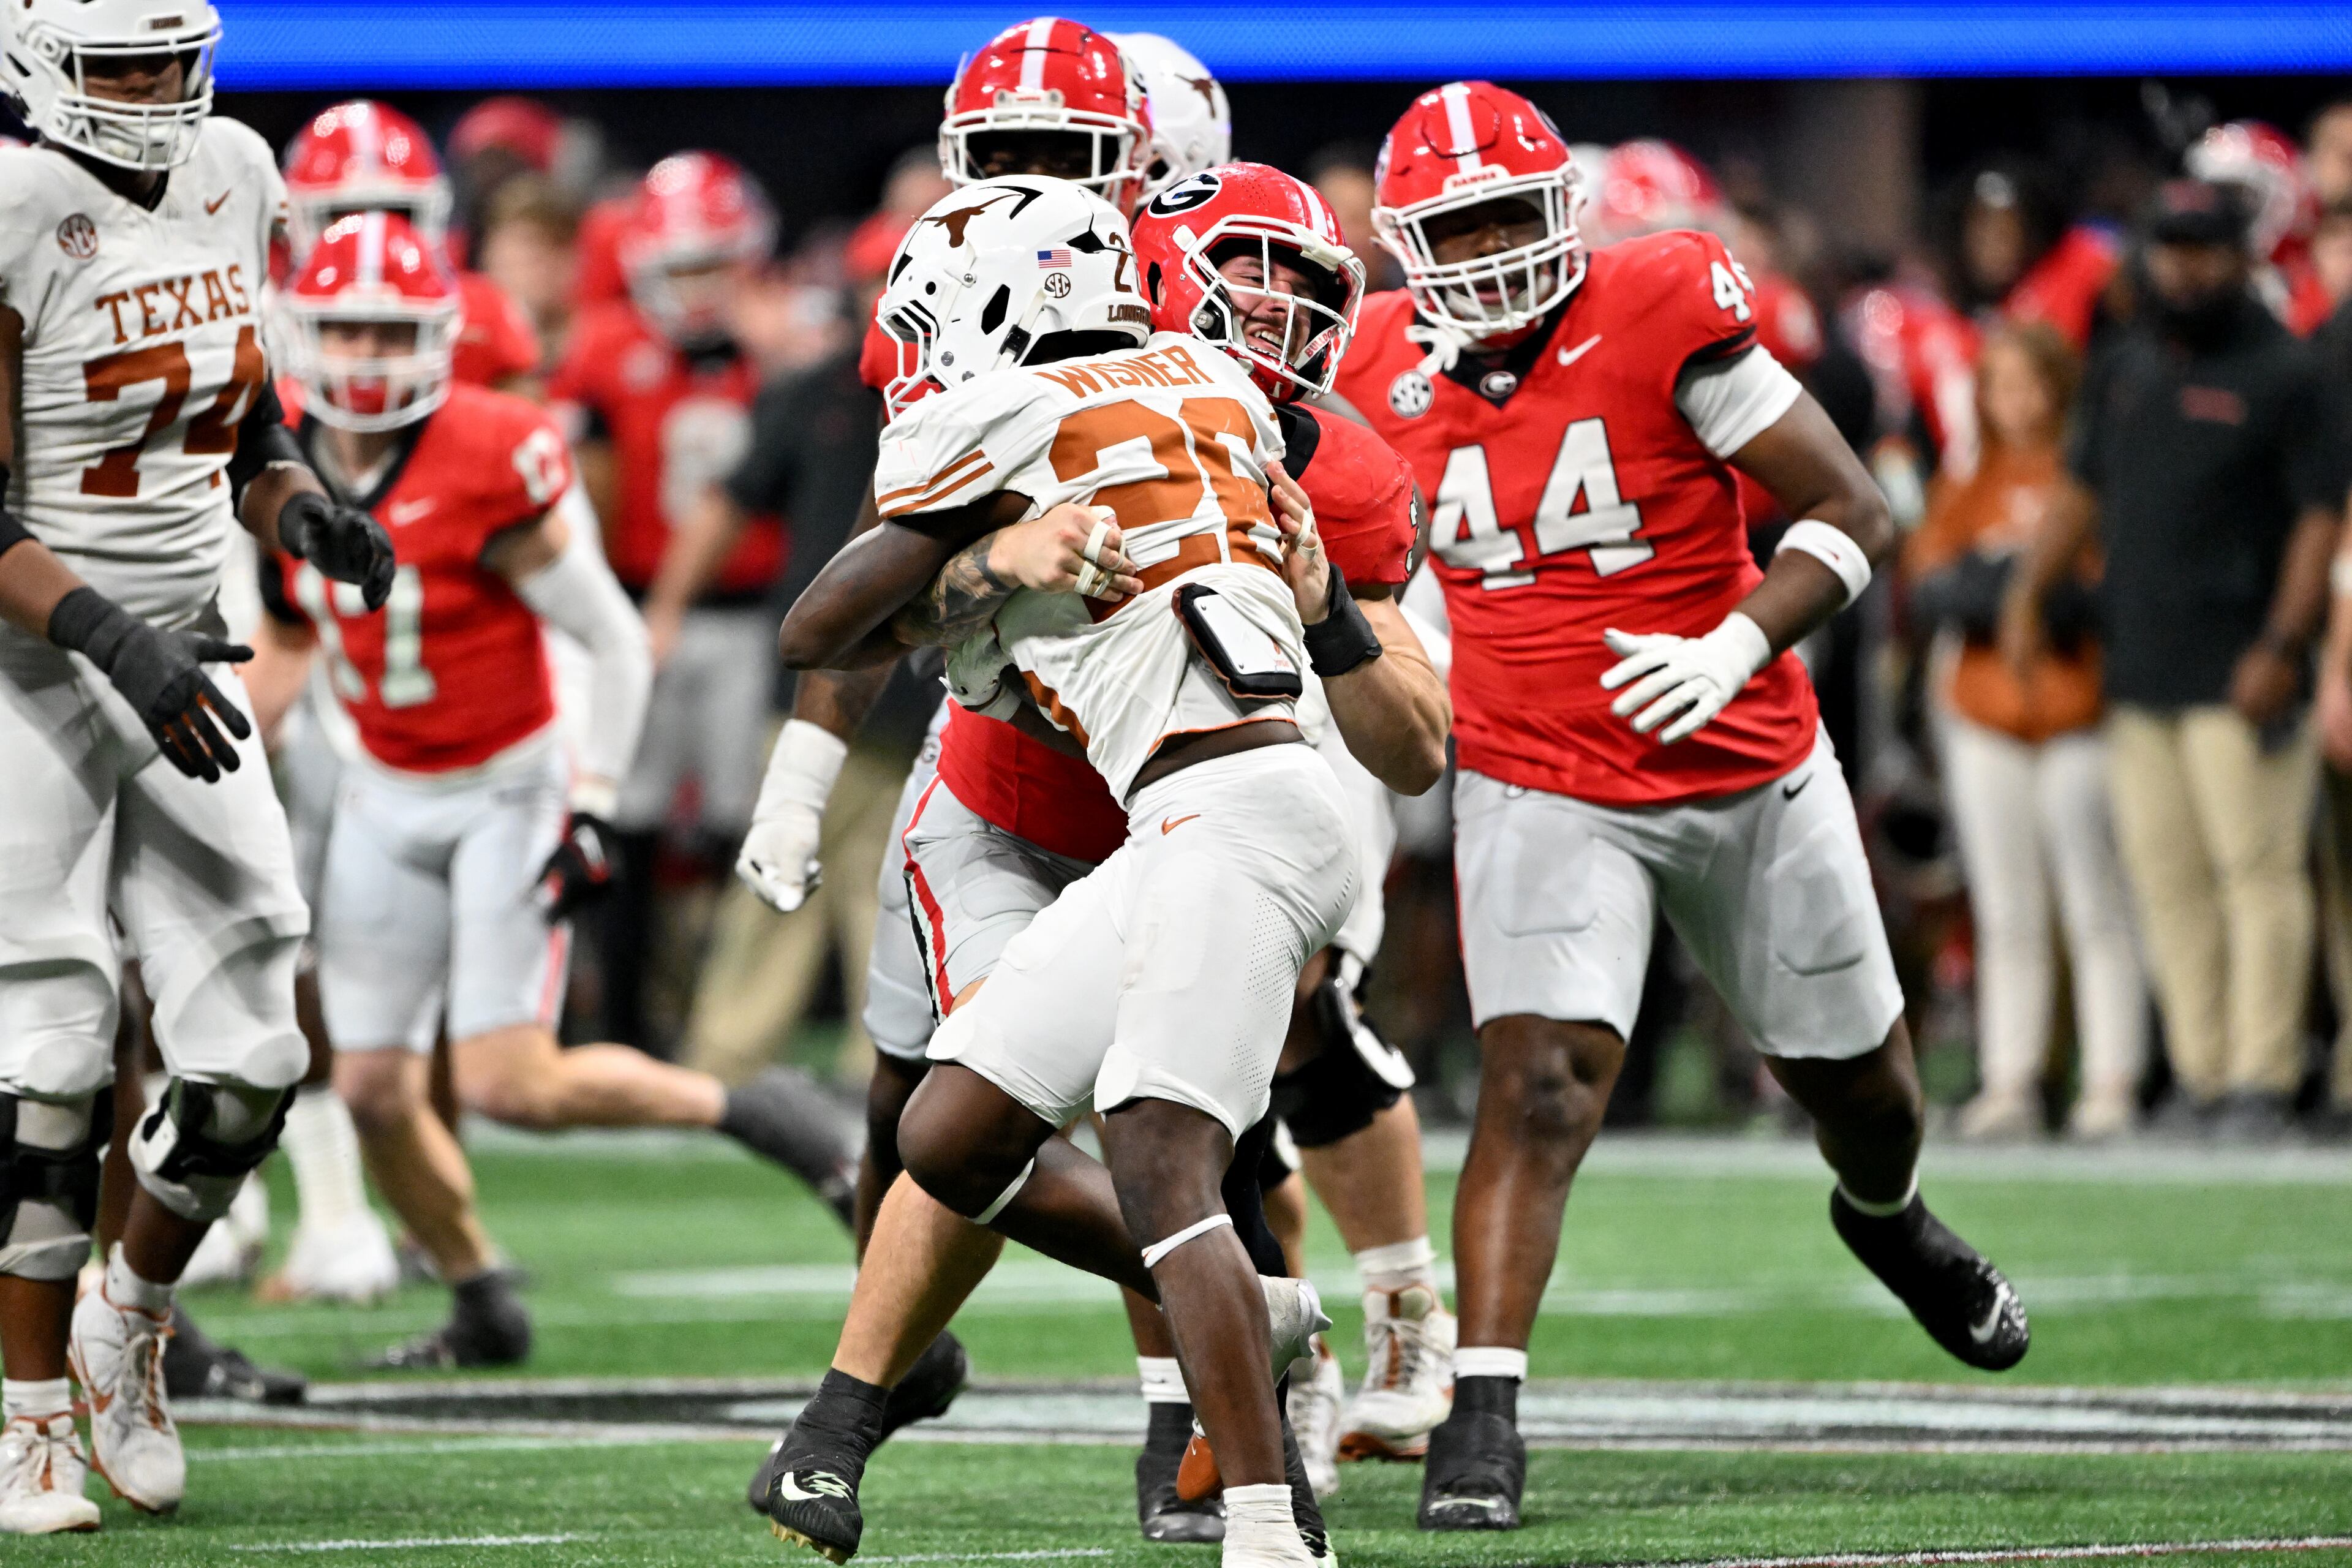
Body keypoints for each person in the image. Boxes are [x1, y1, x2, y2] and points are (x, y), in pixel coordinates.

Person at [1335, 81, 2031, 1532]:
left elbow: (1851, 509)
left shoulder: (1657, 304)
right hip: (1535, 767)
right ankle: (1486, 1402)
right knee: (1537, 1082)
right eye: (1451, 228)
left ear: (1567, 215)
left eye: (1505, 219)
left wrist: (1734, 639)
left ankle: (1885, 1216)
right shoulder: (1377, 361)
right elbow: (1363, 563)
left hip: (1744, 759)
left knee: (1863, 1091)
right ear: (1405, 244)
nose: (1482, 254)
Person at [758, 173, 1385, 1568]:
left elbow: (819, 624)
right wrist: (995, 555)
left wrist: (981, 554)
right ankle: (1262, 1312)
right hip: (1216, 804)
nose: (919, 359)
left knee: (1160, 1150)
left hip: (1224, 803)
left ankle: (1273, 1528)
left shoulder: (1004, 412)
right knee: (947, 1131)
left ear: (993, 304)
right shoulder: (1210, 374)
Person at [246, 214, 858, 1369]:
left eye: (390, 333)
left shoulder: (490, 447)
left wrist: (590, 800)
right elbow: (288, 635)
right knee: (371, 1086)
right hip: (383, 783)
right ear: (303, 335)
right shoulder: (274, 463)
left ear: (435, 340)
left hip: (505, 786)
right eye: (346, 332)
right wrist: (225, 747)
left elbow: (613, 640)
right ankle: (481, 1295)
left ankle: (764, 1116)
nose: (367, 359)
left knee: (510, 1085)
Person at [0, 0, 399, 1528]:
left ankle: (129, 1317)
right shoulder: (19, 206)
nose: (157, 93)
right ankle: (30, 1412)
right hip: (39, 664)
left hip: (185, 656)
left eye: (173, 57)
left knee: (254, 1051)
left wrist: (305, 515)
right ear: (40, 67)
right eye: (121, 66)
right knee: (46, 1053)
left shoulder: (237, 169)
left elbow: (245, 426)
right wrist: (116, 636)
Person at [2004, 178, 2348, 1142]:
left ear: (2243, 257)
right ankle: (2201, 1073)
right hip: (2141, 659)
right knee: (2167, 877)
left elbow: (2321, 518)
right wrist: (2028, 591)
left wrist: (2285, 643)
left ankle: (2263, 1076)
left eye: (2205, 249)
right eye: (2172, 248)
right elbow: (2080, 489)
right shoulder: (2123, 365)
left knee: (2260, 872)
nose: (2186, 267)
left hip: (2244, 659)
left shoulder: (2288, 371)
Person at [549, 151, 781, 1052]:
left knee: (741, 822)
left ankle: (719, 1016)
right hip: (637, 606)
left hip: (755, 611)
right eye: (679, 267)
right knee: (630, 815)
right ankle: (621, 1018)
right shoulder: (606, 349)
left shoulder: (777, 346)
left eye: (711, 266)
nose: (695, 290)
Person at [1903, 323, 2145, 1140]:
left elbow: (2110, 587)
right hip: (1986, 709)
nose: (2017, 402)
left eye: (2031, 383)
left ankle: (2111, 1078)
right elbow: (1928, 583)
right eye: (2000, 384)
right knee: (2006, 906)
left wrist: (2013, 590)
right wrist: (2012, 590)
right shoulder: (1967, 478)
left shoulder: (2090, 474)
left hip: (2078, 706)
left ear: (2058, 387)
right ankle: (2013, 1077)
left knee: (2096, 902)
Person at [282, 100, 542, 394]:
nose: (372, 232)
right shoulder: (254, 315)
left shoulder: (480, 312)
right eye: (346, 214)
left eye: (397, 212)